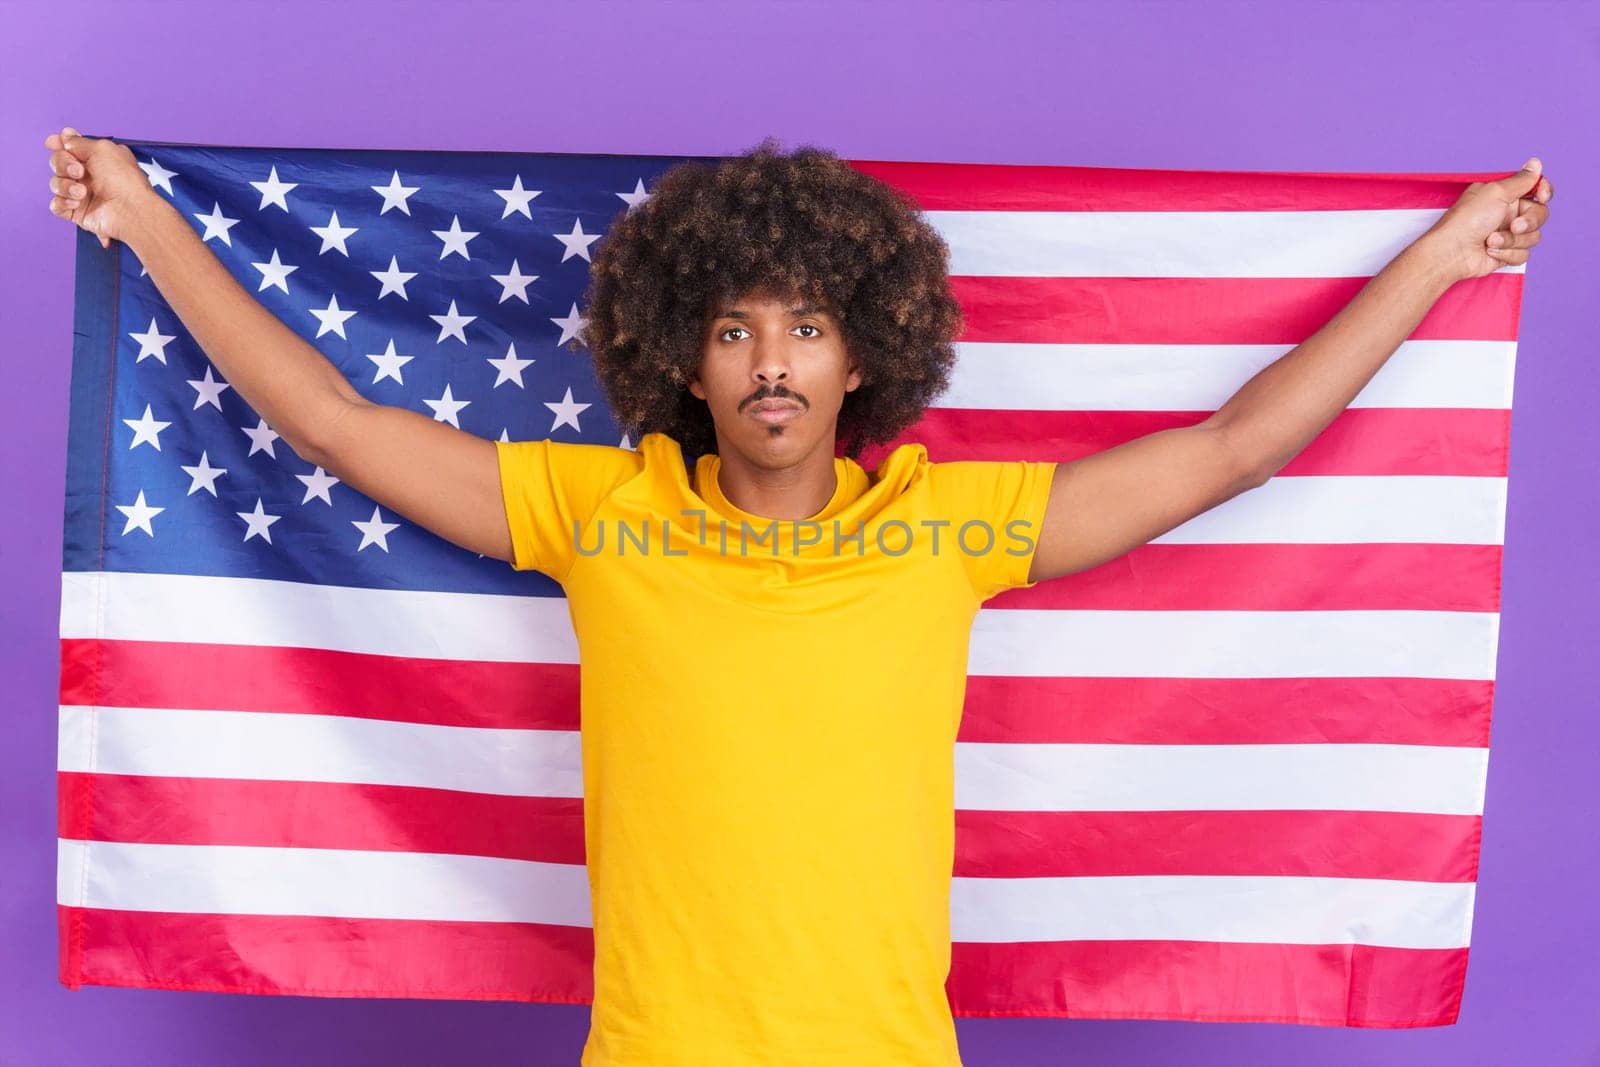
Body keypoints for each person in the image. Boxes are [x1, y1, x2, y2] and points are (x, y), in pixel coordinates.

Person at [43, 125, 1552, 1066]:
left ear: (862, 353)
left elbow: (1232, 450)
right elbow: (333, 426)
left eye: (810, 325)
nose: (772, 360)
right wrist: (142, 218)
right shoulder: (601, 508)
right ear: (682, 361)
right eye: (734, 329)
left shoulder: (951, 528)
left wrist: (1442, 257)